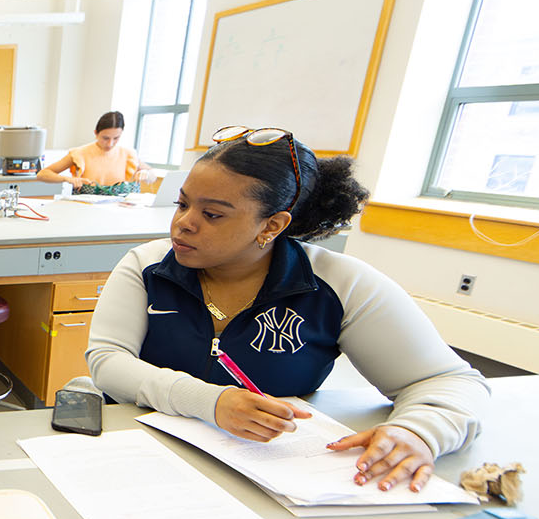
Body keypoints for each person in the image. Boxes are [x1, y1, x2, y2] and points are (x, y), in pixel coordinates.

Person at [86, 125, 489, 492]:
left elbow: (449, 381)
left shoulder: (340, 284)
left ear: (272, 226)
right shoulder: (148, 265)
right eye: (182, 204)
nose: (183, 224)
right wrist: (209, 401)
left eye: (211, 214)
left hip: (264, 471)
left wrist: (419, 432)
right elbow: (108, 360)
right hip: (137, 454)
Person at [37, 111, 154, 195]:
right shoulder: (80, 153)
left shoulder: (128, 154)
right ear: (96, 133)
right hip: (84, 212)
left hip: (118, 213)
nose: (110, 144)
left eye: (116, 138)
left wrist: (146, 174)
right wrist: (67, 179)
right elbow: (43, 174)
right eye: (105, 138)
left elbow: (151, 174)